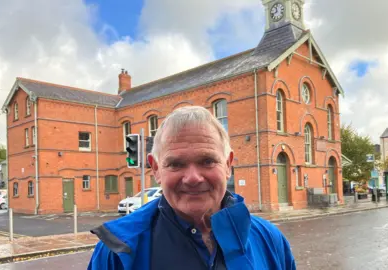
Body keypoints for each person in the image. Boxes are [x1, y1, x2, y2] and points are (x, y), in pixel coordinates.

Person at [87, 106, 296, 270]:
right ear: (156, 169)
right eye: (176, 164)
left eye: (207, 161)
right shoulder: (118, 250)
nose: (193, 178)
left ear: (228, 165)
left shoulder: (268, 238)